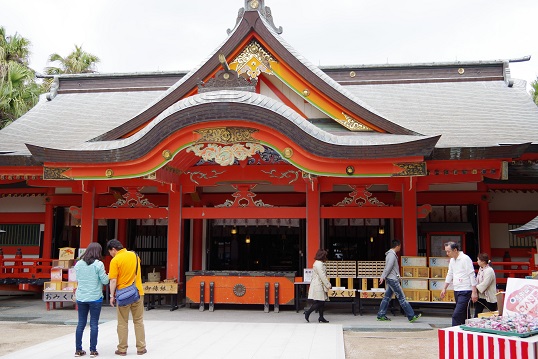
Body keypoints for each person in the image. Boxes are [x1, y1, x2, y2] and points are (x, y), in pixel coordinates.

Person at [107, 239, 147, 356]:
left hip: (123, 295)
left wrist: (111, 295)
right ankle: (141, 348)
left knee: (122, 322)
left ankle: (122, 349)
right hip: (137, 292)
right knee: (138, 321)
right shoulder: (134, 256)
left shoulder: (115, 260)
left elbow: (113, 280)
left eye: (110, 252)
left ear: (114, 249)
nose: (110, 254)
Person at [74, 242, 109, 358]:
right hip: (95, 297)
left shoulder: (78, 264)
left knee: (81, 324)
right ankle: (93, 350)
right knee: (94, 324)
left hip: (81, 297)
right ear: (98, 252)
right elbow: (105, 281)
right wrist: (109, 276)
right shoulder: (99, 264)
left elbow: (78, 279)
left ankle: (78, 350)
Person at [376, 240, 422, 323]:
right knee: (402, 298)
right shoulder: (392, 255)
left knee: (387, 298)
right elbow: (388, 267)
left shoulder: (390, 254)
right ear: (397, 246)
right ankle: (411, 316)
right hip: (393, 279)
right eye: (400, 246)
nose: (400, 248)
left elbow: (387, 267)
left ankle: (381, 314)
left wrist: (383, 276)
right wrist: (383, 276)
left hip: (390, 279)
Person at [440, 241, 478, 326]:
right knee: (464, 314)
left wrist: (474, 291)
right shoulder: (452, 260)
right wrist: (444, 288)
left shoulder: (465, 258)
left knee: (456, 315)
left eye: (448, 251)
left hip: (465, 289)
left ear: (455, 250)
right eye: (446, 251)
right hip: (457, 289)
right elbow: (450, 274)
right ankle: (466, 332)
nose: (447, 253)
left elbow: (471, 274)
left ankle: (454, 332)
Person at [304, 249, 332, 323]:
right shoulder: (319, 264)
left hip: (318, 284)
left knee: (321, 301)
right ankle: (308, 313)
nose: (326, 257)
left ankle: (321, 317)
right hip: (318, 285)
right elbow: (322, 276)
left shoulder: (318, 263)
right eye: (325, 255)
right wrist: (328, 285)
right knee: (320, 302)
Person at [474, 252, 497, 317]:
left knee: (492, 314)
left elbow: (485, 283)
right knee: (477, 313)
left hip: (489, 295)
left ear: (483, 261)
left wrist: (475, 288)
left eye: (478, 260)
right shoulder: (481, 269)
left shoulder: (489, 270)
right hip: (481, 295)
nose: (477, 261)